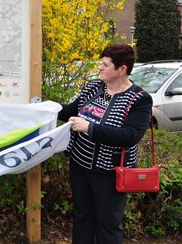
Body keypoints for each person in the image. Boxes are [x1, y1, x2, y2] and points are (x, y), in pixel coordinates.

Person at [58, 44, 152, 244]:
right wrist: (43, 107)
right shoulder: (94, 87)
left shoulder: (138, 99)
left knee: (108, 224)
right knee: (82, 217)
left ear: (122, 69)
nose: (99, 67)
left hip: (109, 173)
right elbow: (69, 112)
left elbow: (131, 135)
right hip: (79, 165)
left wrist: (90, 128)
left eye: (105, 64)